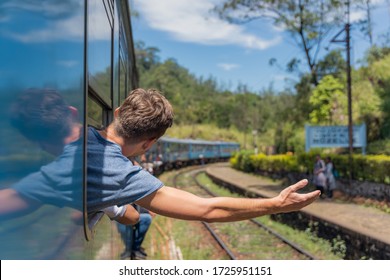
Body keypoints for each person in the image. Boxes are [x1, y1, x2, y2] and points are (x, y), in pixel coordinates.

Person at [2, 88, 320, 225]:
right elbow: (207, 209)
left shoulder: (85, 143)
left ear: (115, 114)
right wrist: (274, 204)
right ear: (150, 143)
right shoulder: (111, 170)